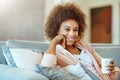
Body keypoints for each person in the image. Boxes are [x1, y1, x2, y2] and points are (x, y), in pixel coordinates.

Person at [38, 2, 120, 80]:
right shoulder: (56, 52)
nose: (72, 34)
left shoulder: (83, 44)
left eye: (75, 30)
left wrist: (110, 67)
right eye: (67, 29)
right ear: (57, 30)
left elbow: (101, 62)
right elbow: (46, 69)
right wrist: (54, 42)